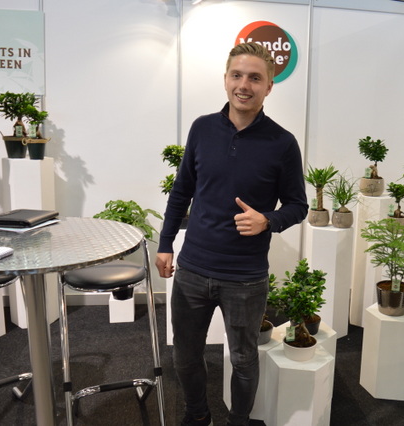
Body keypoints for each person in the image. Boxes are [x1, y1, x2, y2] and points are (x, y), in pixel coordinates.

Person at [155, 42, 308, 426]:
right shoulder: (202, 128)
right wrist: (165, 243)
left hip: (245, 277)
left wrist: (267, 220)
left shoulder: (283, 143)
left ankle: (239, 420)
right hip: (192, 269)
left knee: (243, 357)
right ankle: (197, 415)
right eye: (237, 75)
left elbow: (298, 205)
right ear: (226, 79)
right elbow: (181, 190)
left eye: (255, 78)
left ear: (269, 86)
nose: (244, 85)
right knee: (185, 356)